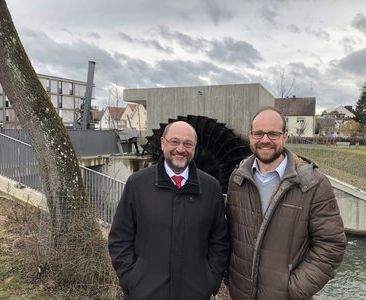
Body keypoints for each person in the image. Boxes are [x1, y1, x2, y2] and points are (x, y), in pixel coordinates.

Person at [225, 106, 346, 300]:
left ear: (285, 136)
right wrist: (229, 280)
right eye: (259, 133)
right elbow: (229, 235)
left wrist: (294, 289)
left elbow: (331, 246)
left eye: (273, 134)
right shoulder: (237, 179)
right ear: (250, 136)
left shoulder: (314, 184)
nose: (265, 140)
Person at [108, 121, 230, 300]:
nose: (181, 149)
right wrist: (132, 280)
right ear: (163, 143)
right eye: (174, 142)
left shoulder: (210, 188)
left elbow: (220, 240)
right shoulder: (137, 185)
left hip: (194, 293)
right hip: (145, 294)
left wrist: (210, 281)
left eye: (188, 144)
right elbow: (119, 238)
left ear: (194, 148)